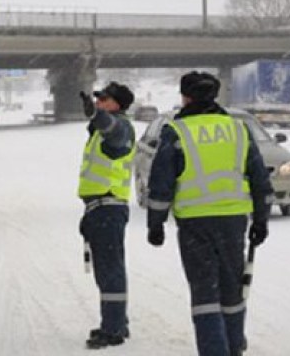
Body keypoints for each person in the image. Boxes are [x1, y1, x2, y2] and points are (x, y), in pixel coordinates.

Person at [146, 71, 273, 356]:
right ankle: (234, 345)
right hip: (233, 222)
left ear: (186, 97)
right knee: (232, 291)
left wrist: (156, 224)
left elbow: (161, 183)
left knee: (205, 294)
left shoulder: (176, 131)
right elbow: (259, 177)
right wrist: (261, 219)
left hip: (195, 223)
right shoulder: (238, 129)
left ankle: (215, 351)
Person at [77, 81, 136, 349]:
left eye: (105, 99)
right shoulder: (100, 133)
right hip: (101, 207)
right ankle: (117, 322)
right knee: (107, 269)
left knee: (110, 270)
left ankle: (112, 329)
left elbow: (113, 131)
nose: (99, 101)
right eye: (98, 99)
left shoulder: (119, 126)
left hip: (108, 205)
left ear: (117, 105)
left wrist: (97, 115)